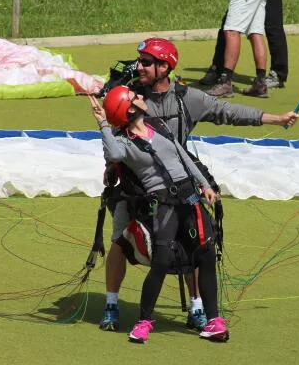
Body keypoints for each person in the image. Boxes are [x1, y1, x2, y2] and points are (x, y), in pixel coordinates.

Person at [98, 37, 299, 332]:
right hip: (135, 179)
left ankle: (198, 307)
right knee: (120, 237)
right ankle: (112, 305)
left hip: (177, 178)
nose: (139, 66)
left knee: (195, 240)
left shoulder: (186, 98)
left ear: (165, 67)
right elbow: (114, 132)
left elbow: (227, 112)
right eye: (139, 61)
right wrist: (111, 166)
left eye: (146, 62)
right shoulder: (131, 95)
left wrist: (275, 119)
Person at [89, 87, 229, 343]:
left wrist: (205, 185)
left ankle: (214, 320)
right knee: (162, 260)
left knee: (205, 255)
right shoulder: (124, 142)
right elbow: (113, 154)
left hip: (190, 196)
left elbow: (183, 157)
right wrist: (102, 123)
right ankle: (144, 321)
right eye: (136, 98)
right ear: (130, 109)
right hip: (163, 201)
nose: (142, 98)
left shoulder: (160, 126)